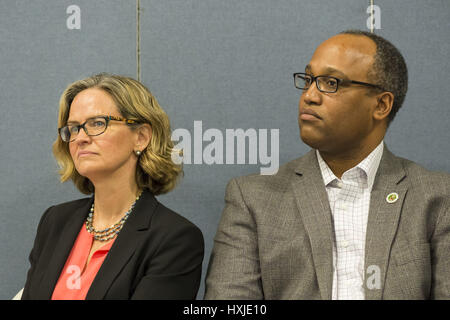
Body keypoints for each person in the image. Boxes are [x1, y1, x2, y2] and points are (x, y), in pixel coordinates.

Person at [205, 30, 450, 299]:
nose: (309, 95)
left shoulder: (436, 198)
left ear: (381, 105)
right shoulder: (254, 199)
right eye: (309, 80)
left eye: (331, 83)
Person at [22, 73, 204, 300]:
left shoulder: (174, 239)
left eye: (97, 123)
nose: (80, 138)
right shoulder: (55, 221)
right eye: (74, 128)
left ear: (141, 137)